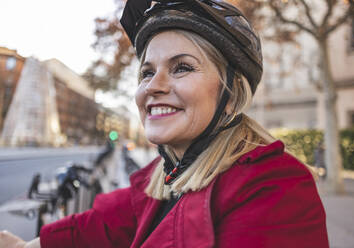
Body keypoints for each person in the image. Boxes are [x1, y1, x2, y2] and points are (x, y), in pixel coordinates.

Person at [0, 0, 329, 247]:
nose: (152, 87)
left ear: (230, 95)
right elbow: (100, 224)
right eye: (146, 72)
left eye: (182, 67)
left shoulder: (275, 190)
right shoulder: (162, 179)